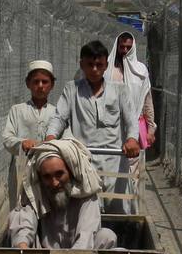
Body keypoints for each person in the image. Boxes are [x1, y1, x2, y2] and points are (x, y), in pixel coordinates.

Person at [44, 40, 141, 214]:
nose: (95, 69)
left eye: (99, 65)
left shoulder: (120, 90)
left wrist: (132, 139)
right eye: (90, 65)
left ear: (106, 65)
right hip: (84, 162)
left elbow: (131, 120)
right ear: (82, 65)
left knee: (118, 210)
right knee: (86, 213)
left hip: (115, 161)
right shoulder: (72, 89)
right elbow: (59, 117)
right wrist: (50, 139)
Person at [8, 139, 117, 250]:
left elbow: (86, 236)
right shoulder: (39, 192)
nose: (54, 183)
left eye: (59, 174)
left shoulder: (85, 194)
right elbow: (25, 219)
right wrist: (22, 245)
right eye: (47, 177)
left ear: (70, 171)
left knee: (107, 236)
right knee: (17, 215)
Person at [0, 59, 57, 208]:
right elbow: (7, 138)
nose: (40, 86)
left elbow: (67, 139)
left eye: (45, 82)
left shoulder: (57, 113)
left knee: (49, 208)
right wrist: (22, 143)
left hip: (49, 169)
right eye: (35, 81)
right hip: (22, 168)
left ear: (52, 85)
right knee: (22, 209)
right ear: (28, 83)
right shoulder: (17, 110)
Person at [108, 31, 155, 152]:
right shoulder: (108, 69)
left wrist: (150, 129)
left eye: (128, 47)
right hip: (111, 126)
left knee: (132, 163)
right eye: (122, 47)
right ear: (117, 46)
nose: (125, 50)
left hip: (134, 127)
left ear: (133, 47)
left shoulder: (141, 70)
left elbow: (147, 101)